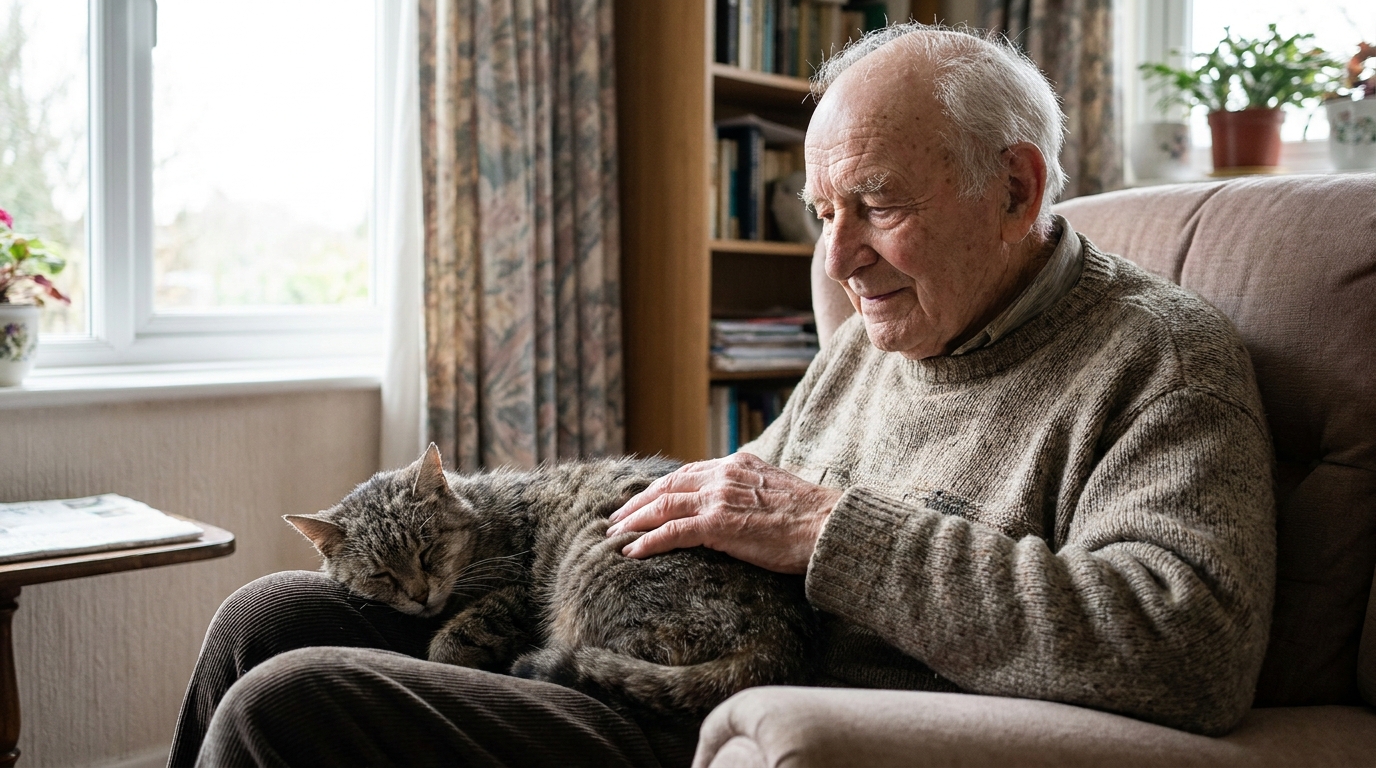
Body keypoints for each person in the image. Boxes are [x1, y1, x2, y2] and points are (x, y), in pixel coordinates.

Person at [170, 24, 1275, 768]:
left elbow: (1189, 649)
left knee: (291, 699)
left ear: (1015, 186)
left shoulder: (1157, 359)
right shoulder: (879, 336)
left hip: (796, 716)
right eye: (820, 208)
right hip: (666, 650)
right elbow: (745, 512)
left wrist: (835, 533)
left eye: (877, 206)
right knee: (264, 614)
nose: (838, 262)